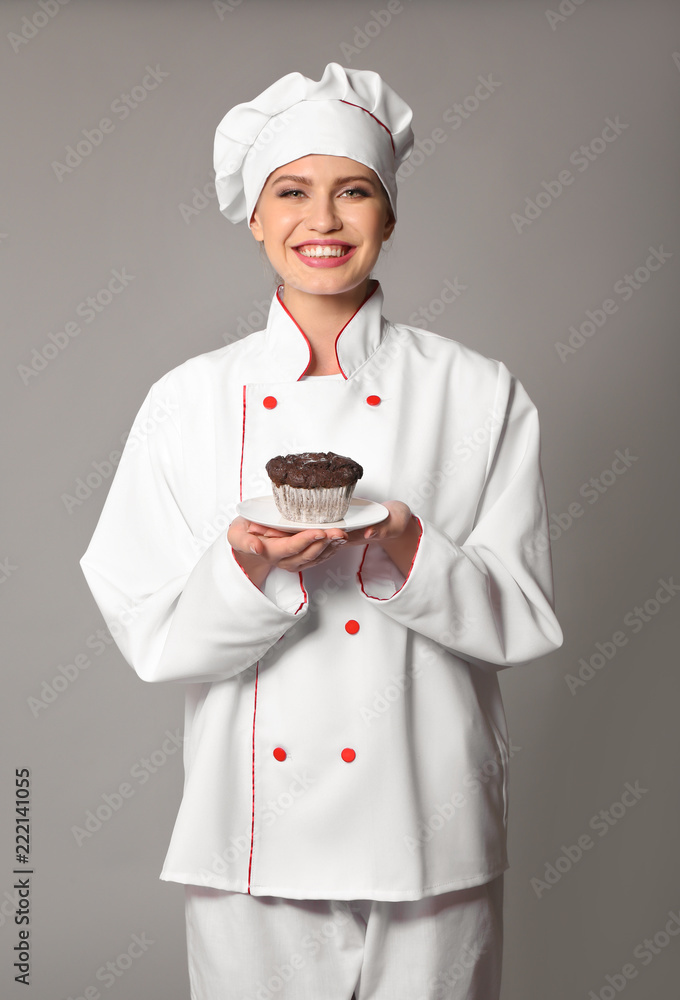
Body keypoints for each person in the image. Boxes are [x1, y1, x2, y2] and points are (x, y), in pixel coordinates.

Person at [80, 62, 564, 1000]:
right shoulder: (189, 402)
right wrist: (243, 565)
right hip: (250, 844)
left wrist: (410, 553)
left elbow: (525, 614)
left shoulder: (478, 392)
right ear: (255, 218)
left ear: (390, 214)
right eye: (291, 193)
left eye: (355, 192)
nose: (324, 220)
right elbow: (145, 622)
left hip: (431, 832)